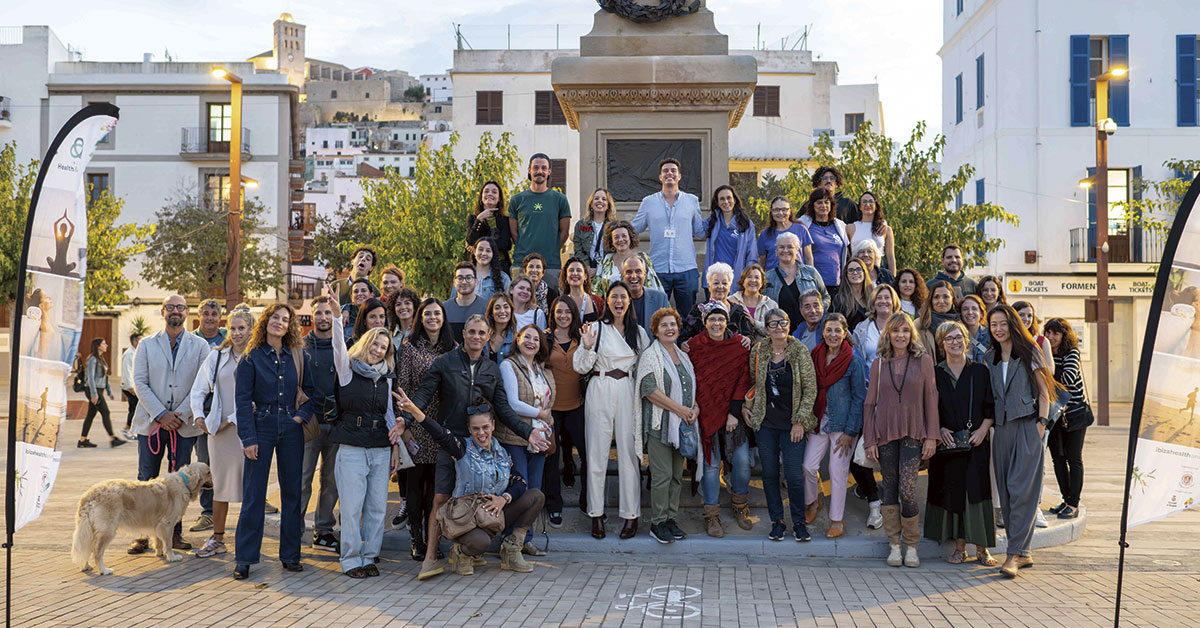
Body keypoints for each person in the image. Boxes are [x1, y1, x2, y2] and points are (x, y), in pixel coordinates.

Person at [394, 314, 549, 580]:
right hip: (450, 440)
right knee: (441, 499)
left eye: (481, 333)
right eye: (472, 332)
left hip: (482, 443)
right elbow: (423, 394)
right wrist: (406, 417)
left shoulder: (492, 369)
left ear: (488, 336)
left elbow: (504, 410)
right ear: (463, 334)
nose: (476, 337)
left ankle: (474, 549)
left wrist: (529, 432)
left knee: (481, 497)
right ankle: (430, 558)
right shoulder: (445, 363)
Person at [400, 395, 545, 575]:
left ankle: (511, 550)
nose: (481, 433)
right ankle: (461, 553)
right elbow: (438, 433)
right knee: (481, 543)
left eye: (485, 427)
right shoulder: (461, 448)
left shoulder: (502, 452)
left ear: (493, 425)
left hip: (493, 515)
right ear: (469, 428)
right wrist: (414, 410)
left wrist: (504, 499)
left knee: (536, 496)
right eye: (475, 428)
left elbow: (519, 482)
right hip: (467, 521)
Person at [326, 295, 402, 579]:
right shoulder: (348, 369)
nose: (379, 350)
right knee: (351, 507)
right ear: (366, 343)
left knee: (376, 508)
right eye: (375, 345)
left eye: (384, 347)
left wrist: (396, 446)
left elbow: (390, 416)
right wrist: (336, 317)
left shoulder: (388, 378)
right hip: (352, 449)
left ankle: (370, 556)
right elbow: (337, 347)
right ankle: (350, 560)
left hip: (380, 448)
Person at [233, 303, 311, 581]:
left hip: (291, 427)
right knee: (254, 495)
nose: (280, 322)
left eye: (285, 319)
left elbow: (311, 391)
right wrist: (248, 438)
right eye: (275, 318)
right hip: (261, 425)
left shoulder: (297, 355)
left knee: (293, 493)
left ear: (290, 325)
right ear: (265, 321)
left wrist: (301, 417)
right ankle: (244, 559)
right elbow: (242, 401)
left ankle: (290, 556)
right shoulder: (251, 357)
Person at [129, 295, 209, 556]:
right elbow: (139, 382)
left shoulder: (199, 346)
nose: (175, 311)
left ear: (187, 312)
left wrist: (180, 414)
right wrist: (162, 414)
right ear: (163, 312)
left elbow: (203, 384)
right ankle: (143, 534)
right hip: (151, 424)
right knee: (146, 480)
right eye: (171, 307)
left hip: (184, 426)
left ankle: (174, 533)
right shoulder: (147, 345)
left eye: (180, 307)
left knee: (181, 482)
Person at [573, 282, 650, 540]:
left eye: (623, 297)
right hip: (600, 385)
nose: (619, 301)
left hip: (628, 389)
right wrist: (585, 346)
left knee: (629, 452)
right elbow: (580, 368)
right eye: (614, 296)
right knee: (597, 452)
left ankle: (631, 514)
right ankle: (596, 514)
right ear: (606, 301)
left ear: (629, 301)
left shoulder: (639, 333)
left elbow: (646, 367)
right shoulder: (595, 328)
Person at [863, 313, 939, 568]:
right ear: (888, 334)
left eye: (905, 331)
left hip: (914, 432)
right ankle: (894, 545)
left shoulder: (923, 361)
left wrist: (931, 436)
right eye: (895, 331)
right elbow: (869, 403)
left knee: (907, 488)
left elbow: (931, 398)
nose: (900, 335)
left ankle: (912, 545)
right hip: (885, 433)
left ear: (911, 334)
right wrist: (870, 440)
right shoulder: (879, 364)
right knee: (890, 488)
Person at [984, 304, 1054, 578]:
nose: (998, 329)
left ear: (1013, 324)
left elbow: (1044, 389)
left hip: (1028, 425)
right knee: (1007, 491)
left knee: (1021, 490)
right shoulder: (989, 356)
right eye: (993, 324)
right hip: (1002, 429)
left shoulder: (1029, 351)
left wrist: (1042, 423)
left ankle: (1013, 554)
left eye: (1003, 323)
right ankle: (1023, 553)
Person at [924, 321, 998, 566]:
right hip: (947, 446)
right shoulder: (935, 373)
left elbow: (991, 406)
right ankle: (959, 547)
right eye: (949, 338)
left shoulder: (980, 371)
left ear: (967, 340)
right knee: (954, 492)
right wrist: (939, 429)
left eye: (959, 337)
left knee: (977, 493)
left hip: (976, 442)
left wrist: (983, 430)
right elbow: (929, 409)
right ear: (941, 343)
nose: (955, 342)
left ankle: (983, 548)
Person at [745, 309, 817, 541]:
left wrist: (800, 421)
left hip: (792, 424)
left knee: (794, 475)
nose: (779, 327)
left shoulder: (799, 351)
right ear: (766, 329)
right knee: (769, 473)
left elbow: (810, 390)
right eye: (773, 324)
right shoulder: (758, 350)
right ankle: (777, 521)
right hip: (766, 423)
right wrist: (749, 409)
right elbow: (753, 381)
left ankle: (798, 522)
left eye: (783, 322)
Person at [188, 308, 254, 559]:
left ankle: (249, 540)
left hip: (249, 432)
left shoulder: (257, 357)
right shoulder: (217, 357)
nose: (236, 333)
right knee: (220, 486)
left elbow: (261, 396)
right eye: (233, 328)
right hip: (219, 433)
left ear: (250, 330)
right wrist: (200, 418)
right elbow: (198, 389)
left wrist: (233, 419)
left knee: (250, 486)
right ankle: (217, 539)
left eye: (241, 328)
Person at [395, 298, 457, 561]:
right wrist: (405, 427)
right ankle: (416, 540)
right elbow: (402, 388)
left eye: (437, 313)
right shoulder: (409, 348)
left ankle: (434, 539)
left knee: (437, 488)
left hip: (441, 426)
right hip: (416, 427)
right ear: (421, 318)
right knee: (415, 487)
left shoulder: (453, 348)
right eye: (428, 313)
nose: (433, 318)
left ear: (444, 318)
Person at [688, 305, 754, 537]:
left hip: (733, 414)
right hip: (705, 414)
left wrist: (733, 413)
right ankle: (712, 515)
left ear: (727, 322)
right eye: (712, 319)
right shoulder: (694, 346)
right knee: (711, 466)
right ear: (705, 322)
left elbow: (744, 379)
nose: (717, 323)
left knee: (743, 462)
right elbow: (690, 378)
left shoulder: (738, 346)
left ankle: (739, 506)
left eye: (721, 320)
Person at [802, 312, 866, 540]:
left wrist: (850, 432)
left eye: (837, 330)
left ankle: (837, 519)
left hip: (842, 425)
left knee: (837, 472)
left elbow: (860, 397)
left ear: (845, 333)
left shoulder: (853, 360)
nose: (833, 334)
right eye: (828, 330)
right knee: (809, 466)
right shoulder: (815, 355)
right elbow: (809, 389)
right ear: (823, 332)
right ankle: (814, 501)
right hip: (819, 421)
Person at [636, 307, 696, 544]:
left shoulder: (684, 356)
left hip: (680, 427)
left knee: (677, 476)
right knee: (662, 476)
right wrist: (680, 410)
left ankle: (671, 519)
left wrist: (695, 409)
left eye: (673, 324)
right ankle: (657, 522)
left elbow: (692, 389)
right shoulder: (651, 356)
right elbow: (649, 390)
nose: (670, 329)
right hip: (659, 425)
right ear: (656, 331)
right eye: (664, 325)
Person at [497, 325, 555, 556]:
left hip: (539, 438)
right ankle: (507, 537)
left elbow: (549, 403)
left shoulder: (542, 369)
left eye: (536, 339)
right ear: (517, 340)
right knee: (518, 489)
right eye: (526, 337)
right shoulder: (508, 365)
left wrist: (547, 426)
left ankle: (524, 540)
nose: (531, 342)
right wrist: (540, 414)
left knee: (534, 489)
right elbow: (512, 403)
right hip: (515, 437)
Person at [631, 158, 706, 315]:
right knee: (656, 315)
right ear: (660, 176)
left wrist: (720, 217)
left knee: (688, 317)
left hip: (686, 268)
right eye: (665, 171)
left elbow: (700, 231)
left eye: (673, 171)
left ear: (679, 176)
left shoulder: (691, 201)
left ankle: (685, 340)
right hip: (658, 269)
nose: (669, 173)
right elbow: (633, 229)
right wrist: (613, 229)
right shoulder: (648, 202)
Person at [299, 296, 341, 553]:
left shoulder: (343, 346)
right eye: (319, 313)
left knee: (331, 481)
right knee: (302, 479)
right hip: (309, 424)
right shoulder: (301, 347)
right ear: (312, 316)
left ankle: (323, 531)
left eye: (328, 313)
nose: (323, 317)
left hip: (336, 424)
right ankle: (293, 530)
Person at [1044, 317, 1091, 520]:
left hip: (1074, 415)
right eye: (1048, 333)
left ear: (1064, 335)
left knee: (1074, 458)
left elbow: (1068, 377)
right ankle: (1065, 499)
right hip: (1054, 415)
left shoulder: (1072, 352)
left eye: (1056, 333)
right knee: (1058, 459)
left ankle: (1074, 503)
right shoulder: (1045, 353)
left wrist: (1045, 371)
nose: (1051, 337)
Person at [545, 297, 586, 525]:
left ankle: (586, 500)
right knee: (552, 455)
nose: (563, 315)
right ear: (553, 314)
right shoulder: (546, 338)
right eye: (558, 311)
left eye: (567, 311)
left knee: (586, 452)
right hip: (551, 409)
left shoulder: (581, 338)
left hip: (577, 406)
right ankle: (554, 505)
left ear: (573, 314)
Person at [190, 299, 225, 531]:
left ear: (220, 317)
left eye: (214, 314)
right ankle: (208, 511)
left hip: (225, 414)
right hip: (200, 413)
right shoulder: (190, 340)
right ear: (199, 315)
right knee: (204, 462)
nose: (210, 317)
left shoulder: (227, 340)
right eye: (206, 313)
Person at [509, 154, 571, 285]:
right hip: (521, 263)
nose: (539, 171)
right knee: (520, 302)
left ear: (549, 171)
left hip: (551, 264)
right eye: (535, 167)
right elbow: (514, 233)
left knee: (551, 303)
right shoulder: (517, 199)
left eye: (544, 168)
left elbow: (564, 232)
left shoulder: (560, 199)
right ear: (529, 170)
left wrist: (552, 248)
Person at [763, 232, 830, 334]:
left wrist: (815, 313)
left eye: (790, 247)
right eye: (781, 247)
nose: (785, 250)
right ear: (776, 251)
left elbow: (825, 297)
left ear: (797, 249)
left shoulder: (811, 272)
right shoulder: (768, 277)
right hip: (780, 333)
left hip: (809, 332)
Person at [702, 185, 758, 297]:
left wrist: (747, 278)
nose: (726, 201)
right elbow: (693, 227)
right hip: (714, 280)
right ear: (717, 202)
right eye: (722, 199)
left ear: (735, 200)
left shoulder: (746, 224)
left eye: (729, 198)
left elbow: (751, 254)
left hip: (736, 280)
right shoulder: (711, 222)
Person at [680, 263, 756, 343]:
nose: (720, 286)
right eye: (716, 283)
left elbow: (750, 335)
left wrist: (748, 339)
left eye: (724, 283)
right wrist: (684, 343)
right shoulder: (698, 310)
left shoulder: (738, 311)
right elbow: (684, 336)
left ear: (729, 287)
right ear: (709, 286)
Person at [798, 187, 850, 294]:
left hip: (837, 284)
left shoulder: (840, 226)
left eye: (826, 202)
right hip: (814, 284)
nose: (823, 206)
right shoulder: (804, 225)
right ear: (813, 205)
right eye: (819, 203)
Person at [593, 221, 663, 295]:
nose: (620, 240)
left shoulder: (642, 258)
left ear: (630, 237)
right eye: (616, 237)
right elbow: (596, 289)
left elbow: (654, 288)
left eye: (624, 236)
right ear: (611, 241)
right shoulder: (606, 260)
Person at [79, 337, 124, 448]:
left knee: (91, 414)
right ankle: (112, 439)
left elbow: (105, 377)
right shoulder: (92, 360)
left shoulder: (101, 359)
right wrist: (94, 394)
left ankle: (82, 440)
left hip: (99, 390)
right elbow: (90, 378)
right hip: (92, 390)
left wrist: (109, 391)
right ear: (98, 346)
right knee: (105, 412)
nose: (106, 345)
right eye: (104, 344)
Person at [756, 195, 814, 270]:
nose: (780, 213)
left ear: (790, 211)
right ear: (771, 211)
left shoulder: (801, 229)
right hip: (773, 279)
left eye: (784, 209)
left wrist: (810, 277)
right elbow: (761, 262)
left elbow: (808, 258)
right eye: (776, 210)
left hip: (798, 278)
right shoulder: (765, 234)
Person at [467, 181, 513, 272]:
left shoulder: (505, 220)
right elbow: (471, 240)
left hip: (501, 266)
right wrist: (479, 219)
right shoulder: (473, 219)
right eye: (486, 191)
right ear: (481, 198)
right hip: (480, 266)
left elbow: (505, 244)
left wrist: (479, 246)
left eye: (494, 192)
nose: (490, 194)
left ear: (499, 199)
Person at [853, 284, 902, 369]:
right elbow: (855, 360)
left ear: (894, 302)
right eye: (879, 298)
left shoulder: (903, 326)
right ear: (873, 303)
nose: (883, 301)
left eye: (887, 297)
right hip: (869, 380)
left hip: (898, 378)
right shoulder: (861, 329)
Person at [847, 191, 895, 271]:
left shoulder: (886, 229)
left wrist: (893, 279)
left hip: (879, 271)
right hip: (857, 271)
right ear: (860, 207)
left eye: (871, 202)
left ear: (876, 206)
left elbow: (890, 257)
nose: (867, 204)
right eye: (864, 202)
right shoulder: (850, 228)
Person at [623, 256, 670, 337]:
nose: (633, 276)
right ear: (622, 275)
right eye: (629, 272)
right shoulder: (616, 300)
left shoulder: (660, 299)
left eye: (638, 271)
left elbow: (669, 333)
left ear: (645, 273)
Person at [442, 262, 488, 344]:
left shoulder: (486, 307)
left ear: (476, 281)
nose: (464, 282)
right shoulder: (444, 308)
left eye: (468, 278)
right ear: (454, 281)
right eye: (460, 278)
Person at [572, 187, 616, 273]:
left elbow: (615, 252)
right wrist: (587, 267)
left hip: (607, 272)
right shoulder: (580, 225)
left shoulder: (614, 226)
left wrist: (599, 270)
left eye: (604, 199)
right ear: (591, 204)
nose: (600, 201)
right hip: (586, 271)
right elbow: (578, 250)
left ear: (608, 205)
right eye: (596, 198)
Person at [729, 264, 778, 339]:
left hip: (762, 349)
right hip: (737, 348)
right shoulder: (731, 301)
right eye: (749, 277)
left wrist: (755, 323)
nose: (753, 280)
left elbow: (775, 331)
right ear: (743, 281)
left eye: (757, 277)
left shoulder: (771, 305)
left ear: (762, 283)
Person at [456, 237, 511, 302]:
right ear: (474, 251)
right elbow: (453, 305)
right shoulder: (461, 276)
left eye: (488, 251)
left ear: (493, 254)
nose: (484, 253)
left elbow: (509, 305)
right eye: (480, 249)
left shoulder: (503, 278)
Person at [917, 281, 960, 363]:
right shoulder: (919, 324)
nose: (941, 301)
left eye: (946, 297)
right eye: (936, 297)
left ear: (952, 299)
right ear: (931, 301)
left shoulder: (961, 323)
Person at [830, 258, 874, 331]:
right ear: (846, 275)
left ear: (864, 272)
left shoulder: (873, 295)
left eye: (858, 269)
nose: (855, 273)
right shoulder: (839, 299)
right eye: (851, 270)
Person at [1012, 300, 1056, 371]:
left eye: (1029, 316)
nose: (1026, 319)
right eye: (1021, 315)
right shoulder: (1007, 340)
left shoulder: (1042, 341)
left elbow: (1051, 370)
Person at [560, 257, 605, 323]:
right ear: (566, 277)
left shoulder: (598, 302)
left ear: (585, 276)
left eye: (579, 270)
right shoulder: (558, 302)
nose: (575, 273)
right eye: (571, 270)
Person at [521, 253, 560, 318]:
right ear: (525, 271)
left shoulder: (551, 294)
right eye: (531, 266)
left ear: (543, 272)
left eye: (538, 267)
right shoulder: (519, 293)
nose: (534, 270)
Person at [120, 333, 141, 441]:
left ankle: (128, 428)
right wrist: (131, 387)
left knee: (133, 408)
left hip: (132, 386)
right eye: (140, 340)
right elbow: (127, 371)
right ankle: (130, 430)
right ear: (134, 342)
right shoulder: (129, 354)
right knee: (136, 408)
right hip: (130, 387)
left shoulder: (135, 352)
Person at [485, 293, 517, 362]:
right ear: (491, 313)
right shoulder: (483, 336)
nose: (502, 311)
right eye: (497, 308)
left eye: (506, 307)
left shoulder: (516, 339)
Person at [958, 295, 991, 361]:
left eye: (974, 309)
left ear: (981, 313)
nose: (970, 312)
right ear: (961, 314)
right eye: (965, 309)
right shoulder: (957, 337)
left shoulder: (991, 336)